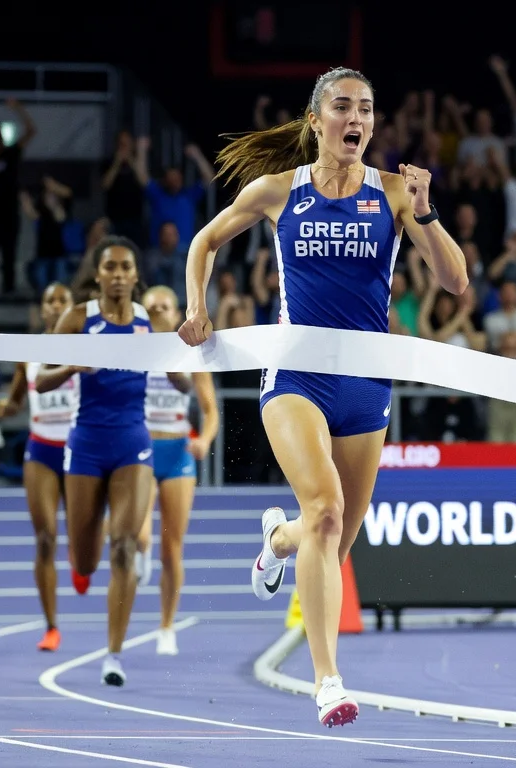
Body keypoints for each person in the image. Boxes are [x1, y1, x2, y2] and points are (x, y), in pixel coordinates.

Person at [176, 67, 467, 726]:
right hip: (295, 377)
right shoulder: (279, 190)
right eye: (342, 106)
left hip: (366, 385)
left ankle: (276, 543)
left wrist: (426, 212)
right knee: (327, 511)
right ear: (317, 121)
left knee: (328, 545)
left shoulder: (394, 194)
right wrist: (197, 309)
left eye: (365, 107)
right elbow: (204, 242)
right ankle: (328, 681)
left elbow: (455, 281)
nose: (355, 118)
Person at [35, 236, 154, 686]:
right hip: (85, 444)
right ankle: (87, 549)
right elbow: (41, 379)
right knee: (86, 563)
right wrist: (72, 367)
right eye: (111, 268)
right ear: (98, 275)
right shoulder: (77, 318)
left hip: (132, 443)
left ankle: (114, 655)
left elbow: (182, 381)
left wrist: (188, 363)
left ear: (135, 275)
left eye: (126, 267)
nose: (119, 275)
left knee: (124, 546)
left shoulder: (150, 322)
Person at [0, 282, 77, 651]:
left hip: (79, 450)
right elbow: (15, 402)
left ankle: (82, 560)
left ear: (72, 308)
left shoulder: (88, 349)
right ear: (42, 310)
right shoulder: (28, 354)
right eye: (49, 300)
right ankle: (52, 626)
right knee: (45, 539)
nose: (56, 306)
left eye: (63, 300)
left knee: (82, 535)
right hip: (41, 449)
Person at [139, 285, 220, 656]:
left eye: (164, 306)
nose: (157, 310)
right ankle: (139, 547)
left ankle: (166, 626)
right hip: (138, 449)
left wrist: (204, 439)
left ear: (176, 314)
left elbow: (210, 411)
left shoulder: (191, 355)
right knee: (138, 535)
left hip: (177, 453)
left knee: (172, 552)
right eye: (150, 306)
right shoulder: (131, 350)